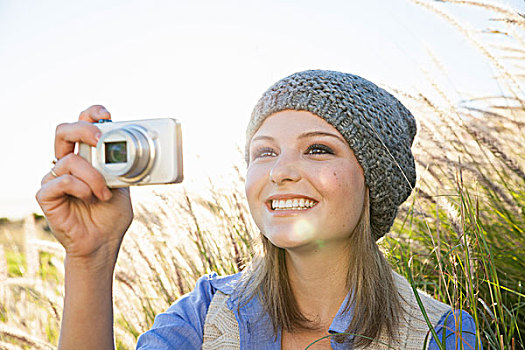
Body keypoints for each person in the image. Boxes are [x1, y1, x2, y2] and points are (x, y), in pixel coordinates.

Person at [36, 70, 481, 349]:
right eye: (263, 152)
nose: (281, 171)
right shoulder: (203, 316)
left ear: (375, 180)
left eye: (318, 149)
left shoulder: (438, 334)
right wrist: (90, 259)